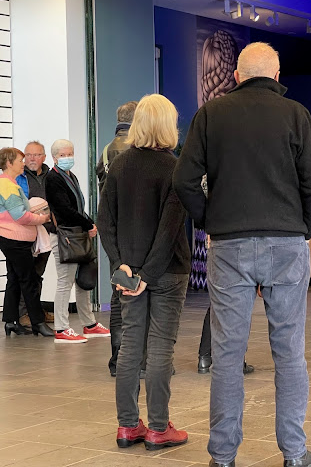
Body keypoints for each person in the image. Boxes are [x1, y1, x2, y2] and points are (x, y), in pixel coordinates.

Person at [174, 42, 311, 467]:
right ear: (277, 76)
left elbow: (184, 180)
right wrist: (302, 229)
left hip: (230, 246)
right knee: (289, 353)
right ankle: (294, 453)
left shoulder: (211, 114)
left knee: (226, 355)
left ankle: (223, 457)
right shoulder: (296, 114)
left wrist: (211, 220)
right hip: (286, 242)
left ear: (237, 76)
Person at [98, 94, 191, 451]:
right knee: (160, 348)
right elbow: (169, 230)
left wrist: (121, 265)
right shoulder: (174, 168)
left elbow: (105, 221)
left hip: (129, 272)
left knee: (130, 347)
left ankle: (127, 426)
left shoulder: (119, 165)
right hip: (166, 273)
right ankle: (158, 428)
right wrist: (148, 275)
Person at [46, 139, 110, 344]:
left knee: (83, 281)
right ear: (54, 157)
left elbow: (78, 207)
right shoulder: (53, 178)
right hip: (66, 237)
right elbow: (64, 209)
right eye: (63, 155)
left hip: (77, 235)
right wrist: (88, 224)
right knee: (65, 282)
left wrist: (90, 223)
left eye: (70, 153)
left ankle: (89, 324)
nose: (68, 157)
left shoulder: (70, 176)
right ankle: (61, 328)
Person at [96, 100, 138, 377]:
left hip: (112, 227)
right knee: (134, 293)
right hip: (133, 229)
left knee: (118, 290)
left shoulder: (106, 150)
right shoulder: (134, 149)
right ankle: (131, 360)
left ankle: (117, 360)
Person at [0, 147, 53, 337]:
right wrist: (43, 218)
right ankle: (38, 322)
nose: (23, 164)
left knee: (14, 279)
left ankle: (10, 321)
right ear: (9, 163)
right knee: (29, 280)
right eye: (20, 160)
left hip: (11, 239)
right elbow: (20, 216)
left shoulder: (9, 183)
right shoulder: (7, 186)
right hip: (15, 240)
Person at [18, 141, 54, 327]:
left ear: (44, 157)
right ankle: (24, 313)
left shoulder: (51, 176)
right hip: (25, 232)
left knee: (38, 274)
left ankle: (36, 312)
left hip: (47, 232)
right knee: (26, 275)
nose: (32, 158)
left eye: (36, 155)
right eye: (28, 155)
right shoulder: (19, 177)